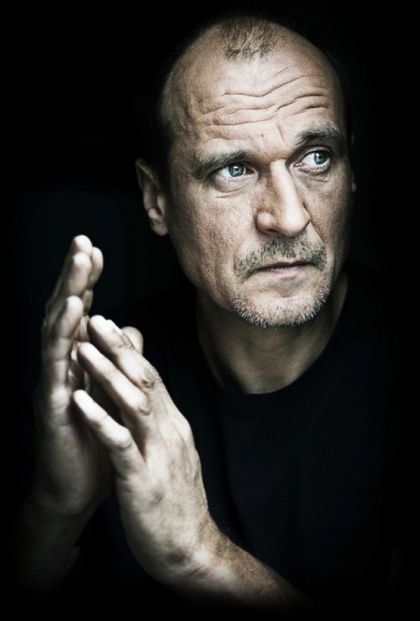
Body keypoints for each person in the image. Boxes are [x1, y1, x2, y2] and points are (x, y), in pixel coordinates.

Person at [12, 10, 404, 619]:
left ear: (352, 171)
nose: (289, 217)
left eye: (315, 157)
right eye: (234, 170)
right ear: (156, 200)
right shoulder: (104, 379)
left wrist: (201, 556)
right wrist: (57, 506)